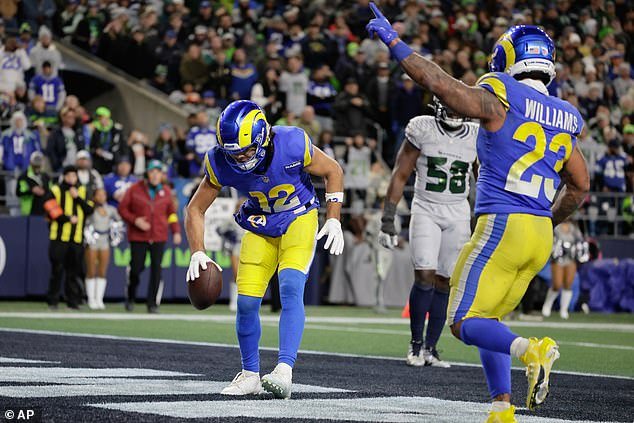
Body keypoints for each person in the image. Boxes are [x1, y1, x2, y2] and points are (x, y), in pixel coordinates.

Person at [367, 6, 590, 420]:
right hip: (540, 234)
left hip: (502, 222)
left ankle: (531, 349)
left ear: (510, 56)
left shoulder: (502, 93)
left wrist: (395, 44)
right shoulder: (565, 114)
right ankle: (501, 407)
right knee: (490, 318)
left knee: (461, 321)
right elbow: (579, 185)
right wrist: (546, 220)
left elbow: (439, 84)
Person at [185, 100, 344, 399]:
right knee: (246, 302)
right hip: (260, 222)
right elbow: (195, 208)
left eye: (246, 151)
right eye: (233, 153)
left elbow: (333, 170)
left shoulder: (291, 142)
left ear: (263, 136)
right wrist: (198, 251)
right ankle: (249, 375)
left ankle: (284, 370)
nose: (240, 158)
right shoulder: (220, 161)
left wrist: (333, 218)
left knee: (291, 286)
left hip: (298, 216)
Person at [379, 97, 478, 368]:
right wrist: (388, 218)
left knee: (445, 280)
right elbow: (400, 174)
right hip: (426, 208)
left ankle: (431, 349)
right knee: (424, 274)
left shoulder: (476, 135)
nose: (455, 111)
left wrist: (484, 215)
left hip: (458, 212)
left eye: (460, 106)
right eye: (451, 106)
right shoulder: (422, 128)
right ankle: (415, 344)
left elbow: (483, 178)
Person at [118, 160, 182, 313]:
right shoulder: (134, 189)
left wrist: (176, 231)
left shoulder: (166, 191)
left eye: (158, 172)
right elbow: (122, 209)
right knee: (136, 269)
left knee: (156, 270)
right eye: (152, 171)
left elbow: (171, 214)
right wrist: (135, 220)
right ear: (147, 173)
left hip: (159, 236)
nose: (155, 175)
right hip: (138, 236)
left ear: (161, 175)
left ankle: (152, 304)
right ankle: (131, 297)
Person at [44, 165, 94, 310]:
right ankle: (53, 301)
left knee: (74, 272)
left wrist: (77, 198)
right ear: (64, 177)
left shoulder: (83, 190)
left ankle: (73, 301)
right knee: (57, 269)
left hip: (76, 238)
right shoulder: (56, 190)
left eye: (74, 176)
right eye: (69, 176)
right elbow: (49, 208)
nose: (71, 179)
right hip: (59, 237)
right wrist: (67, 219)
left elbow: (89, 209)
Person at [84, 188, 122, 310]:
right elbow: (85, 222)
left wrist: (115, 235)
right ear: (94, 197)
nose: (101, 197)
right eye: (98, 195)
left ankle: (99, 299)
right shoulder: (90, 209)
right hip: (92, 241)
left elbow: (119, 221)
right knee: (91, 270)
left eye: (103, 195)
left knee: (102, 271)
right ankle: (91, 299)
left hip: (105, 241)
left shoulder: (111, 209)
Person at [542, 220, 587, 320]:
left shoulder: (574, 228)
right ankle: (547, 304)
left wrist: (579, 254)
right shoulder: (556, 227)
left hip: (570, 259)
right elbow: (551, 240)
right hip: (558, 259)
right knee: (557, 284)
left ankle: (564, 309)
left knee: (568, 284)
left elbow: (580, 241)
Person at [16, 151, 51, 216]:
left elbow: (51, 191)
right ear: (31, 162)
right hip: (28, 211)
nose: (37, 166)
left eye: (39, 162)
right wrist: (31, 191)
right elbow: (18, 193)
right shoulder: (24, 177)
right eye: (35, 163)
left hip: (44, 210)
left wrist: (44, 192)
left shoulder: (46, 176)